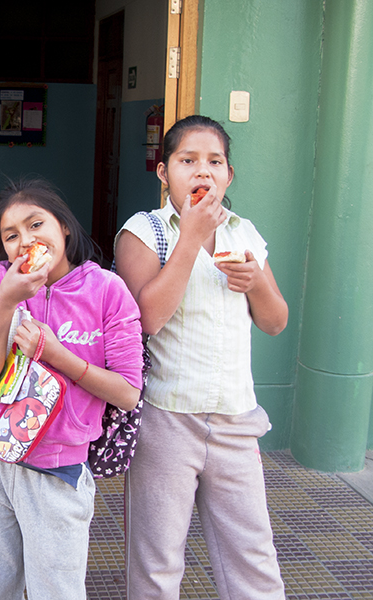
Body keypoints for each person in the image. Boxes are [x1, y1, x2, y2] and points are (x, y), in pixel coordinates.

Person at [114, 115, 288, 600]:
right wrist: (190, 239)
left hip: (236, 417)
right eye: (187, 160)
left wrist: (255, 284)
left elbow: (276, 321)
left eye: (214, 162)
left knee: (253, 555)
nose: (202, 172)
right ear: (163, 171)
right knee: (157, 558)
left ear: (229, 175)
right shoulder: (144, 232)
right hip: (168, 420)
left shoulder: (244, 234)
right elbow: (146, 319)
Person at [0, 177, 145, 600]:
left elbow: (127, 392)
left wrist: (56, 354)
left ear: (63, 226)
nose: (25, 241)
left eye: (35, 225)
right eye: (11, 236)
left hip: (57, 470)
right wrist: (6, 303)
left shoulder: (106, 290)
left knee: (56, 591)